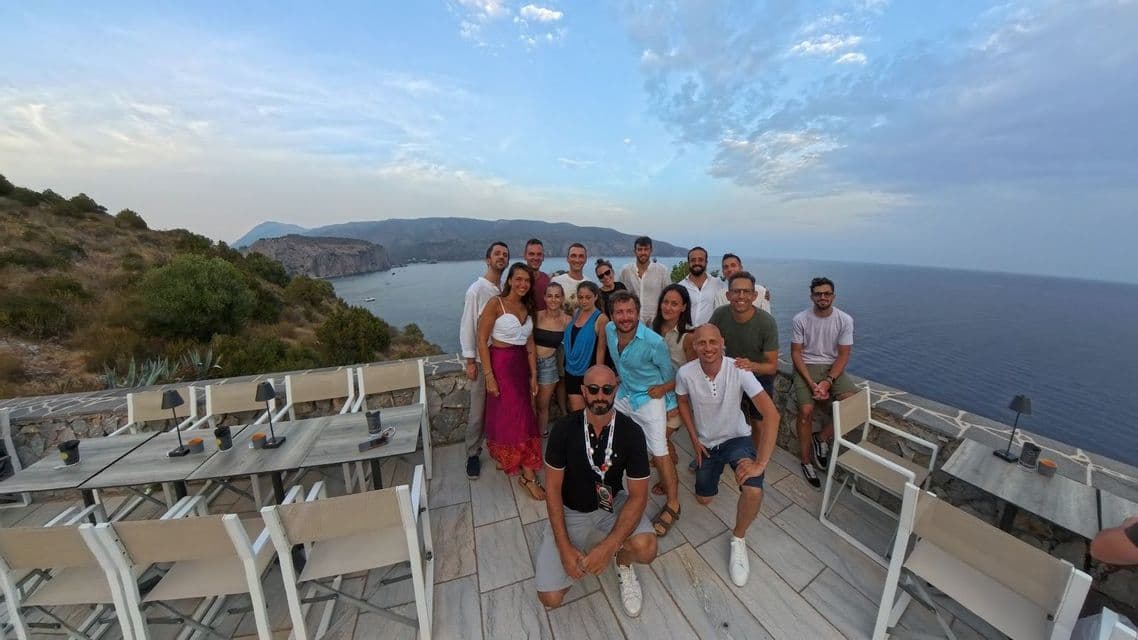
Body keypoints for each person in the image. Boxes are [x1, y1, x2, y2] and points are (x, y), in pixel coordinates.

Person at [537, 365, 657, 616]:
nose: (600, 395)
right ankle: (566, 554)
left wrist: (609, 547)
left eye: (607, 389)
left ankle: (622, 564)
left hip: (610, 502)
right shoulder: (564, 429)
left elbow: (638, 495)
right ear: (583, 391)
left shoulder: (632, 433)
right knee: (550, 598)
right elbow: (553, 489)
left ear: (616, 390)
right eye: (593, 389)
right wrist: (564, 548)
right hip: (570, 508)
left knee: (646, 549)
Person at [676, 325, 779, 587]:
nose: (708, 348)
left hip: (736, 439)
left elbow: (772, 415)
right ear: (693, 346)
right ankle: (714, 473)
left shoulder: (739, 369)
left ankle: (739, 538)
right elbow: (683, 402)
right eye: (702, 343)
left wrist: (761, 463)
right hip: (707, 444)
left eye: (713, 342)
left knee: (753, 490)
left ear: (722, 343)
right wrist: (694, 439)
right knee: (703, 499)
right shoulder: (685, 373)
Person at [605, 291, 680, 537]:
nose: (625, 317)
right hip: (625, 394)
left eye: (630, 312)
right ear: (612, 315)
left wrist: (669, 405)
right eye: (619, 312)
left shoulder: (653, 342)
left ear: (637, 313)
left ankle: (673, 504)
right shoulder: (608, 330)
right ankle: (615, 488)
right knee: (612, 438)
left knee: (660, 453)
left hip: (650, 398)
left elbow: (670, 376)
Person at [476, 262, 546, 500]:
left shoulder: (528, 307)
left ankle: (515, 460)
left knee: (518, 417)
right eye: (518, 279)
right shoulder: (496, 304)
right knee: (516, 419)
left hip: (520, 368)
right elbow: (481, 339)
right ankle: (528, 477)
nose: (523, 284)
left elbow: (529, 343)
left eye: (527, 281)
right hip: (502, 366)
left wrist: (534, 375)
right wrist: (489, 376)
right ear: (510, 280)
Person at [706, 271, 780, 476]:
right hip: (728, 375)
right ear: (728, 295)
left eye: (746, 292)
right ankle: (713, 453)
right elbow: (709, 339)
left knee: (758, 420)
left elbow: (772, 366)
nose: (741, 296)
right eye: (736, 291)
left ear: (754, 296)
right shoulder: (720, 315)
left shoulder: (766, 322)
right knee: (721, 414)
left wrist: (751, 366)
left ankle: (754, 458)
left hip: (757, 375)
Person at [791, 276, 857, 488]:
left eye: (827, 293)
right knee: (806, 412)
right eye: (818, 293)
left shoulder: (844, 320)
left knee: (853, 404)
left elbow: (844, 354)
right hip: (806, 367)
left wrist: (828, 382)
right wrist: (812, 384)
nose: (822, 297)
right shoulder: (800, 319)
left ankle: (821, 438)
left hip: (831, 368)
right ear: (812, 296)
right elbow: (796, 353)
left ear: (833, 296)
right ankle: (806, 461)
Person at [459, 241, 509, 480]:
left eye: (505, 255)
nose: (501, 257)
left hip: (501, 360)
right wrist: (470, 359)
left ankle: (498, 447)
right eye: (497, 253)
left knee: (498, 409)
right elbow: (468, 324)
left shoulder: (502, 290)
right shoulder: (477, 290)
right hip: (481, 361)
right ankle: (472, 453)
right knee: (478, 411)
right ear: (488, 259)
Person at [649, 284, 695, 494]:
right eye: (665, 302)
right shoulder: (651, 326)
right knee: (659, 439)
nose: (668, 307)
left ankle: (668, 480)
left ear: (683, 307)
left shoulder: (688, 337)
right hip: (654, 395)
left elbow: (692, 375)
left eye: (674, 303)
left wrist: (678, 402)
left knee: (659, 439)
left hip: (676, 397)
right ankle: (669, 463)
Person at [562, 282, 609, 412]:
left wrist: (598, 375)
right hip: (571, 368)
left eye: (588, 297)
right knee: (575, 409)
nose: (584, 301)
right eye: (580, 297)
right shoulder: (577, 312)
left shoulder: (601, 319)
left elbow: (601, 349)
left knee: (588, 410)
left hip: (588, 371)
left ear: (595, 297)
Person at [534, 282, 570, 435]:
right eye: (549, 296)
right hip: (529, 363)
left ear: (562, 298)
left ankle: (541, 434)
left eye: (557, 296)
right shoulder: (536, 316)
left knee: (542, 405)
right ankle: (528, 435)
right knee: (528, 404)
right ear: (544, 297)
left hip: (549, 365)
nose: (553, 299)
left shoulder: (567, 320)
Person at [619, 236, 670, 325]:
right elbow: (619, 294)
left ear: (651, 250)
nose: (643, 252)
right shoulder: (626, 271)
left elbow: (668, 295)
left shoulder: (662, 271)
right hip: (632, 321)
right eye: (640, 249)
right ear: (635, 251)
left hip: (655, 322)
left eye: (646, 249)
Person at [678, 246, 725, 325]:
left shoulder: (718, 283)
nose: (697, 263)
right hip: (686, 333)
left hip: (709, 334)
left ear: (706, 262)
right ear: (688, 263)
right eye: (693, 260)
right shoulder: (680, 287)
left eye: (700, 260)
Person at [550, 243, 592, 312]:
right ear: (567, 259)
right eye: (573, 256)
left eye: (581, 256)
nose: (577, 260)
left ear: (585, 259)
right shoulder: (556, 281)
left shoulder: (590, 283)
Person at [525, 238, 551, 311]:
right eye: (531, 254)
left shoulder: (547, 280)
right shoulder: (518, 281)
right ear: (525, 256)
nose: (536, 258)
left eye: (539, 254)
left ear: (543, 257)